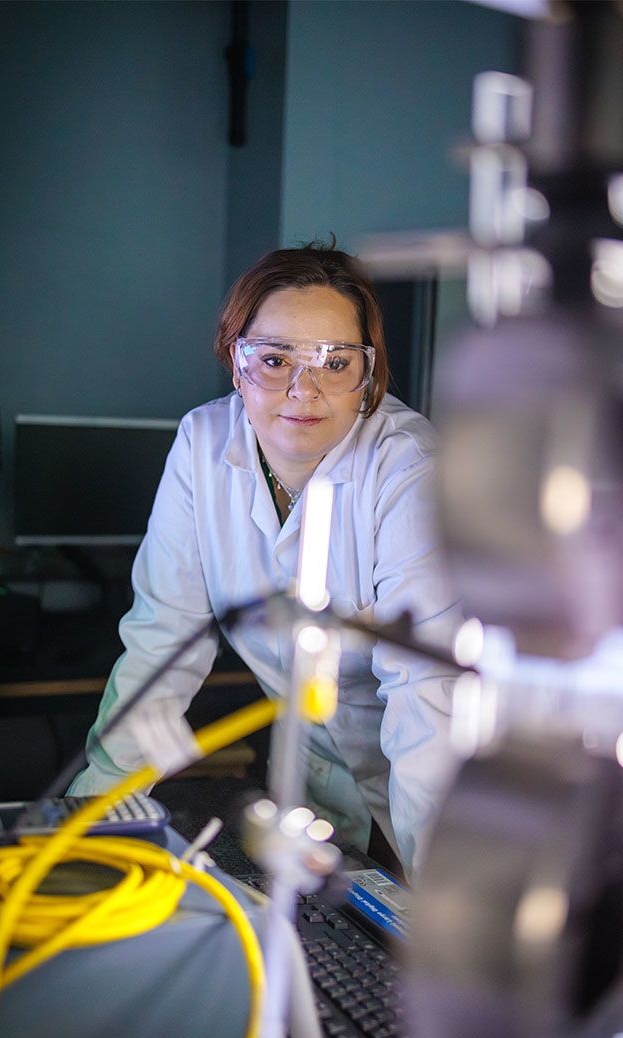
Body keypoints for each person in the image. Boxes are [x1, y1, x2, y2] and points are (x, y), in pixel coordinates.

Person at [67, 244, 461, 875]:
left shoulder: (409, 469)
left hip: (427, 796)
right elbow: (160, 642)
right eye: (275, 359)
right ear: (236, 363)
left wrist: (447, 909)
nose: (303, 391)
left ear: (368, 372)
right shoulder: (203, 443)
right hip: (302, 786)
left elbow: (426, 694)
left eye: (336, 363)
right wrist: (87, 825)